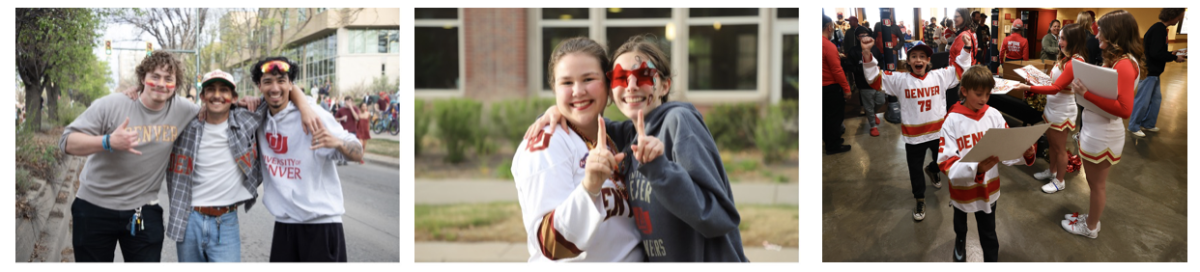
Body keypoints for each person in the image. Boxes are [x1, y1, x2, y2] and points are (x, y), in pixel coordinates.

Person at [526, 34, 748, 262]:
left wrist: (661, 170)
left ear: (665, 85)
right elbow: (585, 118)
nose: (631, 86)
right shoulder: (627, 136)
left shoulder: (679, 123)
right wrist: (556, 111)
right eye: (621, 78)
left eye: (643, 75)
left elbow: (721, 217)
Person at [512, 37, 647, 262]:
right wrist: (590, 186)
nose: (578, 91)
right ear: (554, 88)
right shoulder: (546, 144)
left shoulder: (613, 139)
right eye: (566, 83)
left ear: (608, 83)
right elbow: (551, 245)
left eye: (588, 79)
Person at [59, 50, 200, 262]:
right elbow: (67, 142)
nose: (161, 84)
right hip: (94, 208)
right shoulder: (112, 104)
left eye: (168, 79)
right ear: (143, 78)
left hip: (141, 211)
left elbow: (219, 109)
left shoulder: (183, 109)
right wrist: (107, 141)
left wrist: (250, 102)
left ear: (175, 84)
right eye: (155, 76)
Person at [164, 69, 315, 262]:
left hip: (225, 222)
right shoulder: (185, 125)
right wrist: (136, 89)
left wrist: (305, 108)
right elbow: (157, 100)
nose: (217, 95)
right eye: (210, 90)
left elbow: (279, 92)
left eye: (224, 90)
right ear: (202, 96)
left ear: (234, 97)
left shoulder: (246, 120)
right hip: (189, 220)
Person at [253, 56, 363, 261]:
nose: (275, 88)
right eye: (267, 81)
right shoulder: (258, 116)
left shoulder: (313, 116)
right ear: (259, 86)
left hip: (322, 224)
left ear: (290, 84)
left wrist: (338, 143)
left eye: (281, 81)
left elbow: (358, 151)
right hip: (284, 226)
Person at [862, 33, 975, 221]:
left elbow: (961, 69)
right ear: (908, 61)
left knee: (942, 161)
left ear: (928, 60)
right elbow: (875, 79)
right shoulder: (900, 80)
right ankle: (920, 198)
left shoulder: (939, 76)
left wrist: (967, 49)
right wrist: (867, 53)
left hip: (938, 133)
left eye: (922, 56)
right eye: (914, 56)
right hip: (913, 137)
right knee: (915, 170)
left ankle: (932, 170)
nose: (918, 60)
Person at [938, 65, 1037, 262]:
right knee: (960, 218)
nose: (983, 99)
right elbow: (946, 161)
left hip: (988, 188)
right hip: (963, 187)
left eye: (987, 94)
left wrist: (1024, 152)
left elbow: (1007, 149)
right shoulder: (952, 120)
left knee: (989, 231)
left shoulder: (994, 115)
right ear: (964, 91)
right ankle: (960, 238)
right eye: (978, 93)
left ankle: (991, 260)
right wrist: (976, 168)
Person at [1062, 10, 1144, 239]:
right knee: (1092, 181)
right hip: (1097, 130)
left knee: (1096, 185)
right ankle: (1091, 219)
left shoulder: (1125, 65)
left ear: (1115, 33)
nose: (1097, 36)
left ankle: (1090, 227)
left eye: (1102, 32)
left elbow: (1125, 109)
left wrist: (1086, 94)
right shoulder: (1120, 61)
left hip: (1104, 133)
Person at [1014, 23, 1088, 194]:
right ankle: (1052, 171)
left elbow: (1056, 88)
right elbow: (1053, 82)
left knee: (1060, 148)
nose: (1059, 42)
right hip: (1053, 107)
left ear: (1073, 40)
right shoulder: (1065, 58)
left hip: (1062, 110)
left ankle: (1060, 181)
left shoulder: (1075, 62)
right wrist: (1036, 79)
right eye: (1059, 38)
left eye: (1062, 38)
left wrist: (1028, 88)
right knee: (1052, 146)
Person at [1129, 8, 1187, 138]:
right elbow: (1155, 53)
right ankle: (1133, 126)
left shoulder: (1160, 29)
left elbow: (1157, 50)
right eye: (1179, 17)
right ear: (1173, 16)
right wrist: (1174, 57)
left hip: (1155, 72)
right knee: (1142, 101)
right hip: (1150, 72)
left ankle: (1148, 124)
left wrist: (1171, 54)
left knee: (1155, 99)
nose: (1179, 20)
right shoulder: (1158, 30)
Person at [847, 26, 884, 137]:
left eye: (866, 35)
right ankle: (873, 126)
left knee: (881, 101)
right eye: (861, 35)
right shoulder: (853, 51)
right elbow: (849, 66)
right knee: (868, 105)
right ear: (857, 37)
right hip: (863, 83)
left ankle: (873, 113)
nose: (864, 37)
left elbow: (881, 62)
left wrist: (879, 68)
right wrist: (862, 69)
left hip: (877, 81)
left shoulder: (875, 49)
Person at [823, 15, 851, 154]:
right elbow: (837, 70)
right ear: (829, 27)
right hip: (830, 87)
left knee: (824, 117)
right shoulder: (828, 45)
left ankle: (829, 141)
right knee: (834, 118)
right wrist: (846, 89)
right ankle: (833, 146)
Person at [334, 96, 357, 165]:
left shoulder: (354, 109)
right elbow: (335, 119)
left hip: (352, 130)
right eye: (348, 101)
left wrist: (351, 108)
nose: (349, 103)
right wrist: (341, 119)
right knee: (341, 145)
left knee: (349, 146)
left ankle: (345, 159)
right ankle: (340, 159)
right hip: (343, 130)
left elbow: (357, 118)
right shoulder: (341, 110)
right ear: (345, 101)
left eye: (351, 101)